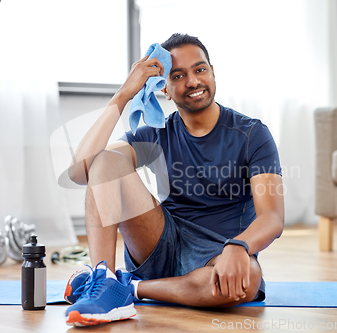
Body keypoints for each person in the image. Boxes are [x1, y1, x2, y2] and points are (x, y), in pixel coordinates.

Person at [64, 33, 284, 327]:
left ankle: (127, 288)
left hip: (218, 252)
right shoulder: (156, 134)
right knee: (105, 159)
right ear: (165, 89)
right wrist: (123, 94)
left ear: (213, 72)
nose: (192, 81)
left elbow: (272, 217)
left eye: (200, 69)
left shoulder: (252, 134)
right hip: (161, 243)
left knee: (249, 280)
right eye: (178, 75)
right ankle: (103, 278)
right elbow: (81, 172)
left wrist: (239, 246)